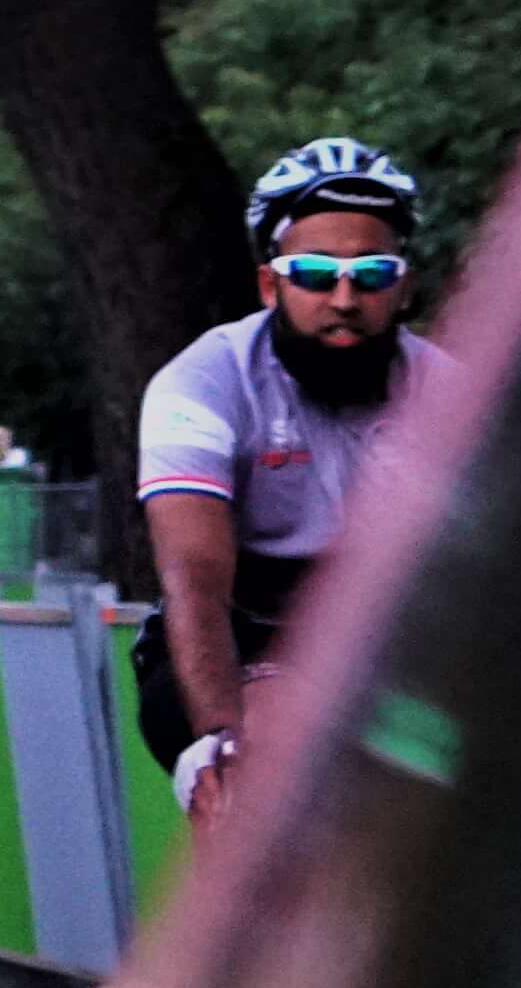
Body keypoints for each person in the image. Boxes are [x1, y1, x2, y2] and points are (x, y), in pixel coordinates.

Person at [136, 139, 450, 815]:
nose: (342, 299)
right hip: (231, 641)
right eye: (314, 274)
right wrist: (222, 740)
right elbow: (194, 579)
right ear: (270, 284)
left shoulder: (451, 393)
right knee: (275, 744)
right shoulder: (203, 382)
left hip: (379, 648)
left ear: (403, 289)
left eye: (370, 276)